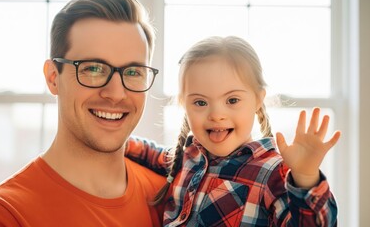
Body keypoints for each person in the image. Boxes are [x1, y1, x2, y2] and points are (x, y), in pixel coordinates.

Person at [0, 0, 166, 226]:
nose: (115, 94)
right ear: (52, 77)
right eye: (93, 69)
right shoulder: (2, 215)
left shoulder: (171, 199)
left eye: (133, 72)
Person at [126, 36, 340, 226]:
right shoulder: (187, 157)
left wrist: (305, 177)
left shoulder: (272, 173)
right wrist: (117, 141)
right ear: (184, 104)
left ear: (258, 100)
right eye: (200, 102)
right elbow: (151, 153)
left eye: (232, 100)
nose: (217, 114)